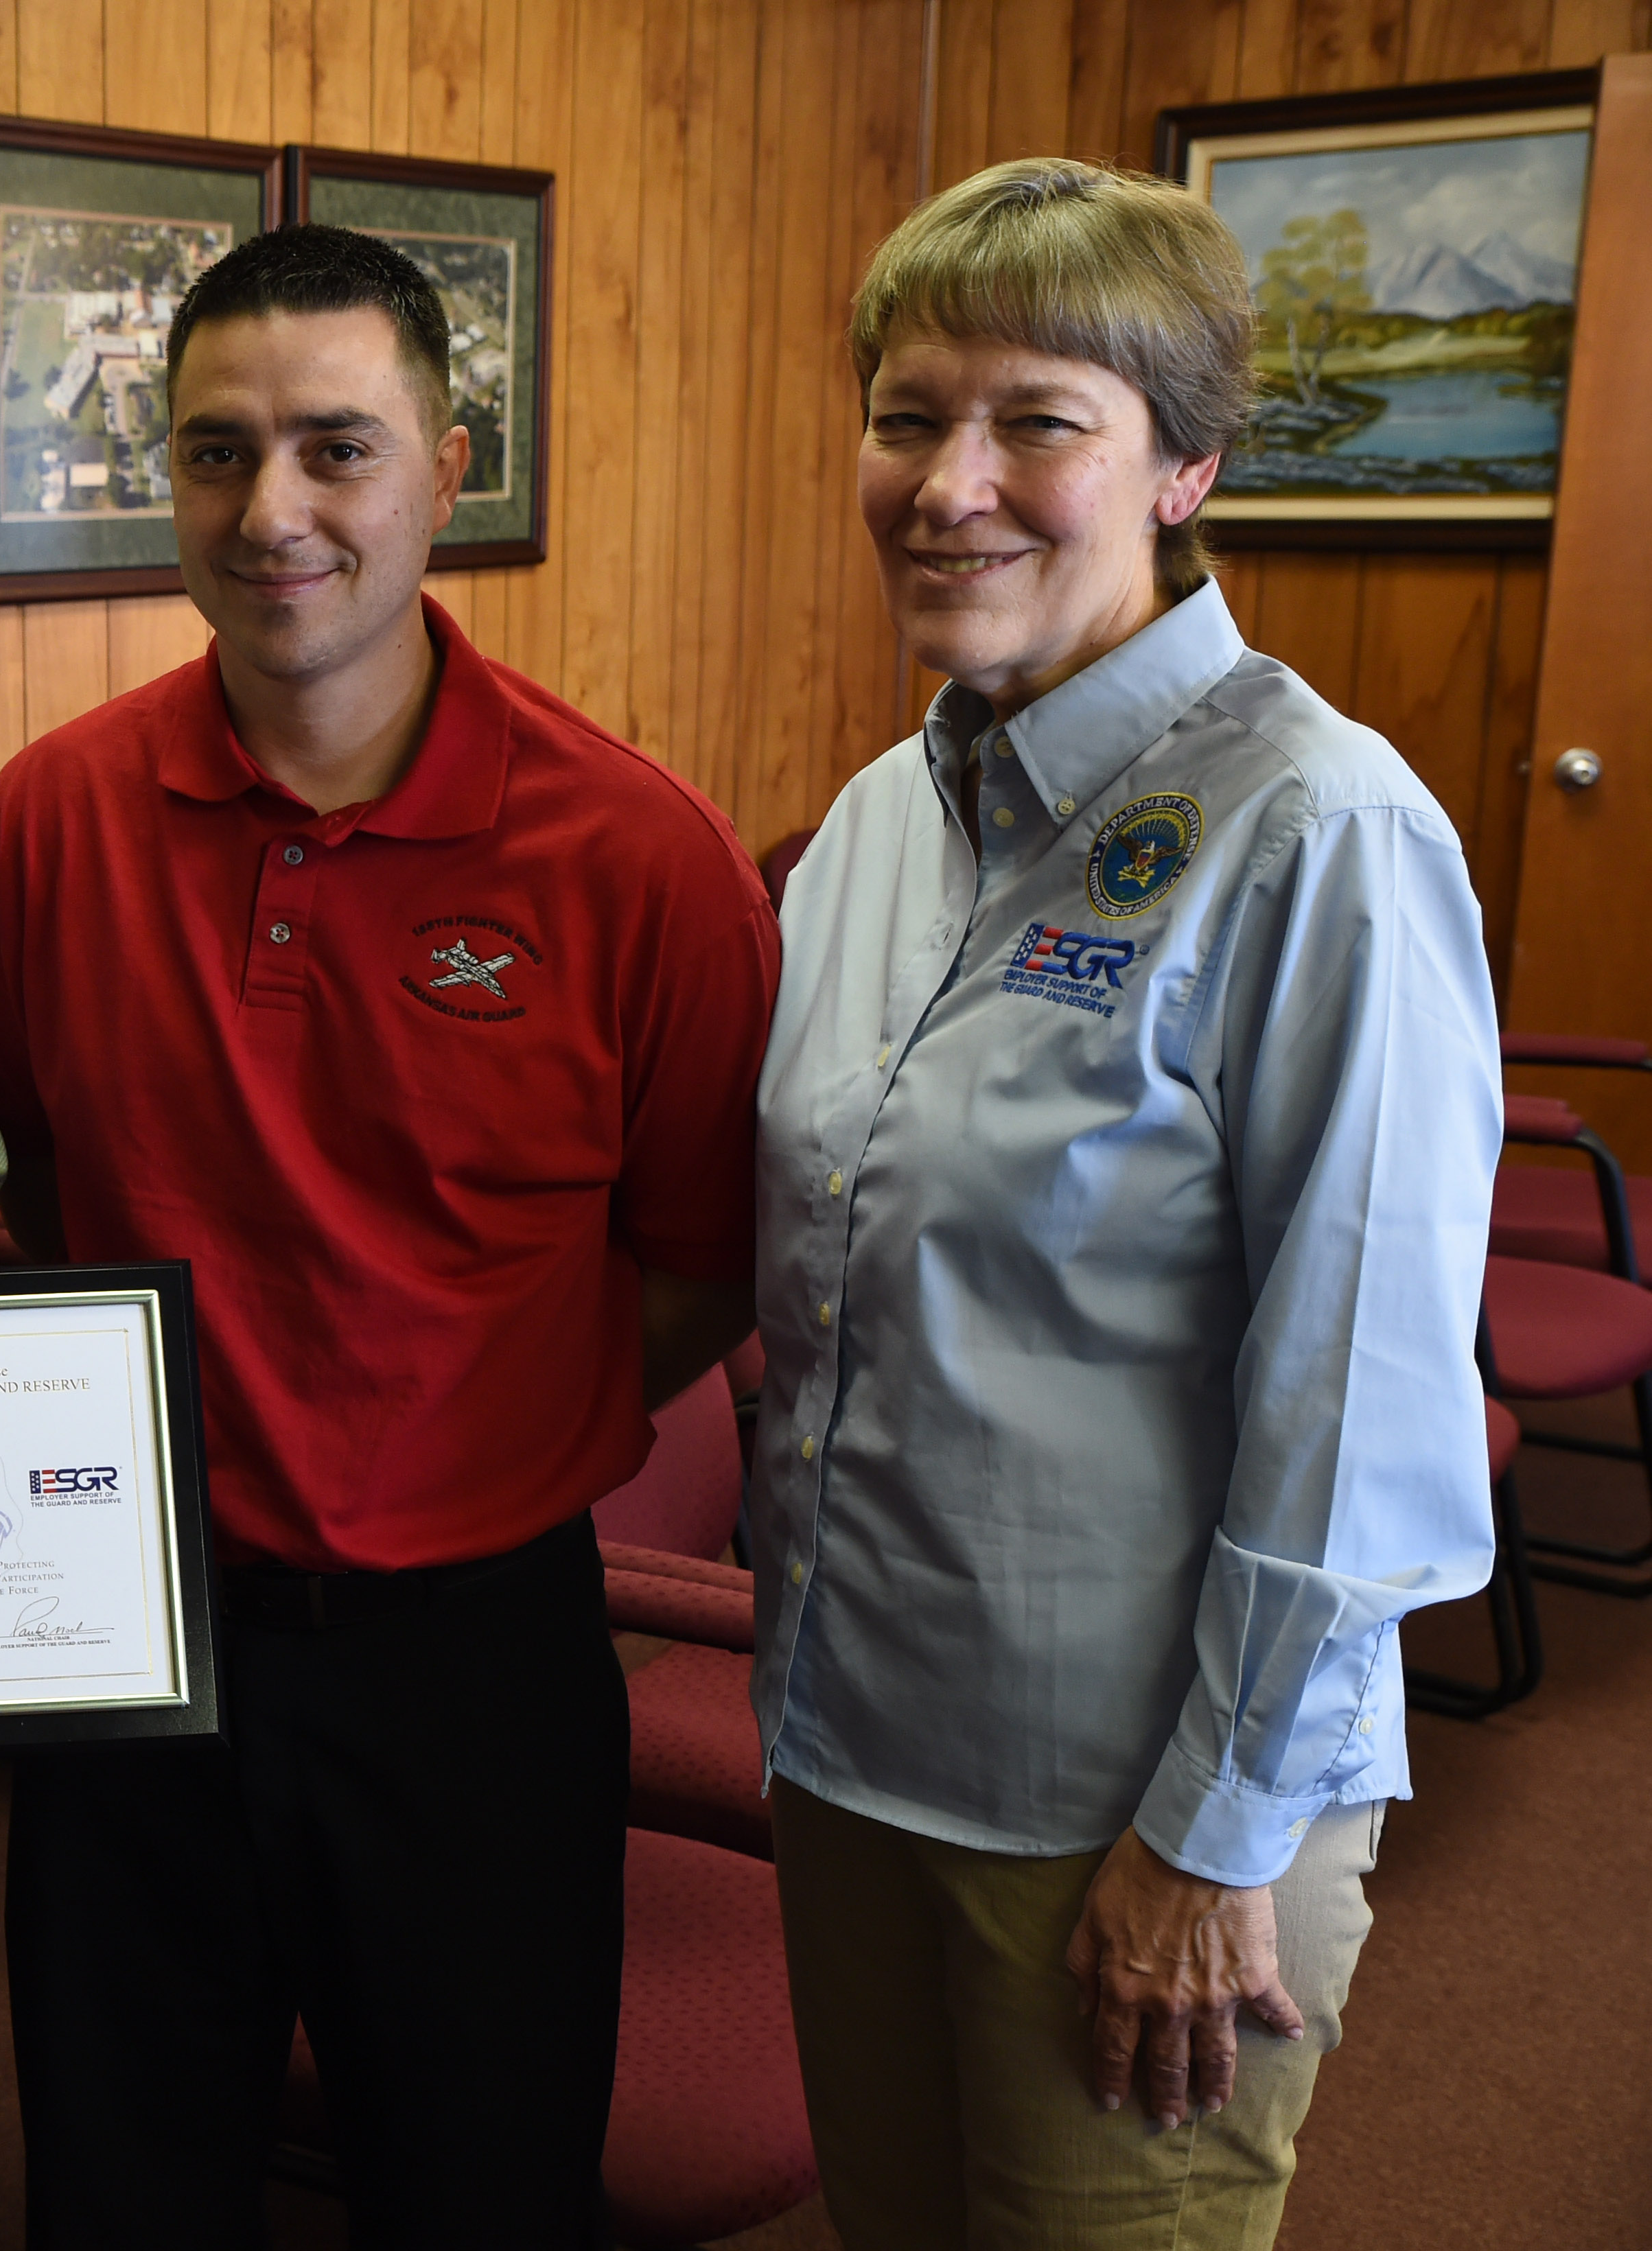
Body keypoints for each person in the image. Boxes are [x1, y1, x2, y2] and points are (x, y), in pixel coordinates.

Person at [0, 224, 780, 2246]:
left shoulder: (637, 856)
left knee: (478, 2187)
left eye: (338, 449)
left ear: (450, 465)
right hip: (125, 1650)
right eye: (216, 454)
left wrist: (462, 1422)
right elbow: (46, 1195)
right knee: (117, 2182)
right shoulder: (49, 825)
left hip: (475, 1665)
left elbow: (703, 1256)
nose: (276, 513)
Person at [749, 157, 1500, 2249]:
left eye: (1036, 424)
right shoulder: (884, 820)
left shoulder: (1319, 829)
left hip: (1138, 1820)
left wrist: (1216, 1836)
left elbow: (1360, 1412)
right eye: (908, 415)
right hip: (852, 1746)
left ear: (1184, 467)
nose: (948, 481)